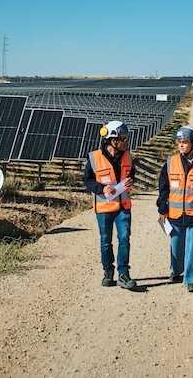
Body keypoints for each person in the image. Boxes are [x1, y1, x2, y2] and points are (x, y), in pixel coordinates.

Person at [156, 125, 193, 293]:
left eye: (185, 142)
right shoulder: (170, 163)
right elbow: (163, 188)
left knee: (192, 246)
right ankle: (176, 270)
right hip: (174, 214)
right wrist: (162, 207)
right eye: (179, 141)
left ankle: (191, 279)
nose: (181, 144)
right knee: (176, 246)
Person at [83, 120, 137, 290]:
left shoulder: (128, 156)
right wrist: (102, 188)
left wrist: (130, 181)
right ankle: (108, 271)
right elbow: (87, 180)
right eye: (123, 138)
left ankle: (123, 274)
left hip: (123, 206)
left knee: (124, 238)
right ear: (113, 140)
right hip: (104, 207)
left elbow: (131, 174)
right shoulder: (94, 158)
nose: (126, 141)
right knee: (106, 241)